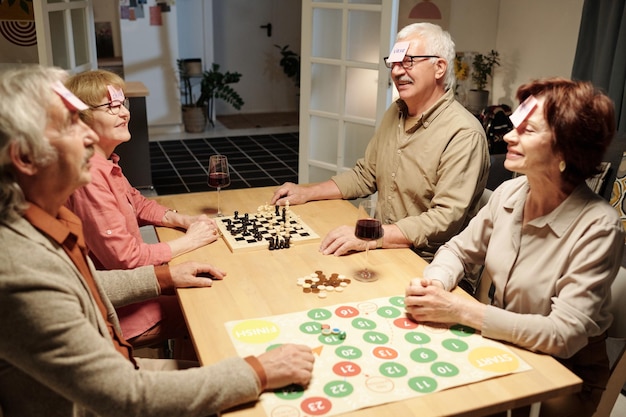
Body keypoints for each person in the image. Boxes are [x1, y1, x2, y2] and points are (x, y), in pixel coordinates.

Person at [0, 65, 314, 416]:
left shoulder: (46, 219)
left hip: (117, 372)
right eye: (71, 124)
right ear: (26, 158)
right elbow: (126, 396)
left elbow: (82, 283)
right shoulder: (18, 271)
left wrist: (164, 277)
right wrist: (259, 371)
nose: (88, 136)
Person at [404, 77, 624, 416]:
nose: (508, 136)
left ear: (567, 149)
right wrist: (436, 283)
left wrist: (459, 310)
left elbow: (563, 336)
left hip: (564, 375)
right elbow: (458, 250)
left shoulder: (599, 226)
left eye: (527, 130)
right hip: (501, 344)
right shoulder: (510, 193)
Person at [271, 22, 490, 262]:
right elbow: (365, 176)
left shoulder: (464, 134)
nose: (396, 72)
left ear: (439, 67)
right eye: (394, 63)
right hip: (386, 245)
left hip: (431, 263)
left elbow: (443, 220)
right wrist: (306, 192)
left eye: (408, 61)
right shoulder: (395, 113)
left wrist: (374, 236)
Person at [64, 69, 218, 353]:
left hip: (127, 288)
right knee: (205, 306)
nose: (123, 113)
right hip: (114, 307)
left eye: (123, 104)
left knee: (202, 284)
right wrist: (190, 241)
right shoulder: (89, 175)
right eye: (112, 107)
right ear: (81, 119)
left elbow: (137, 202)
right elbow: (126, 259)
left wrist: (182, 219)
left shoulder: (104, 161)